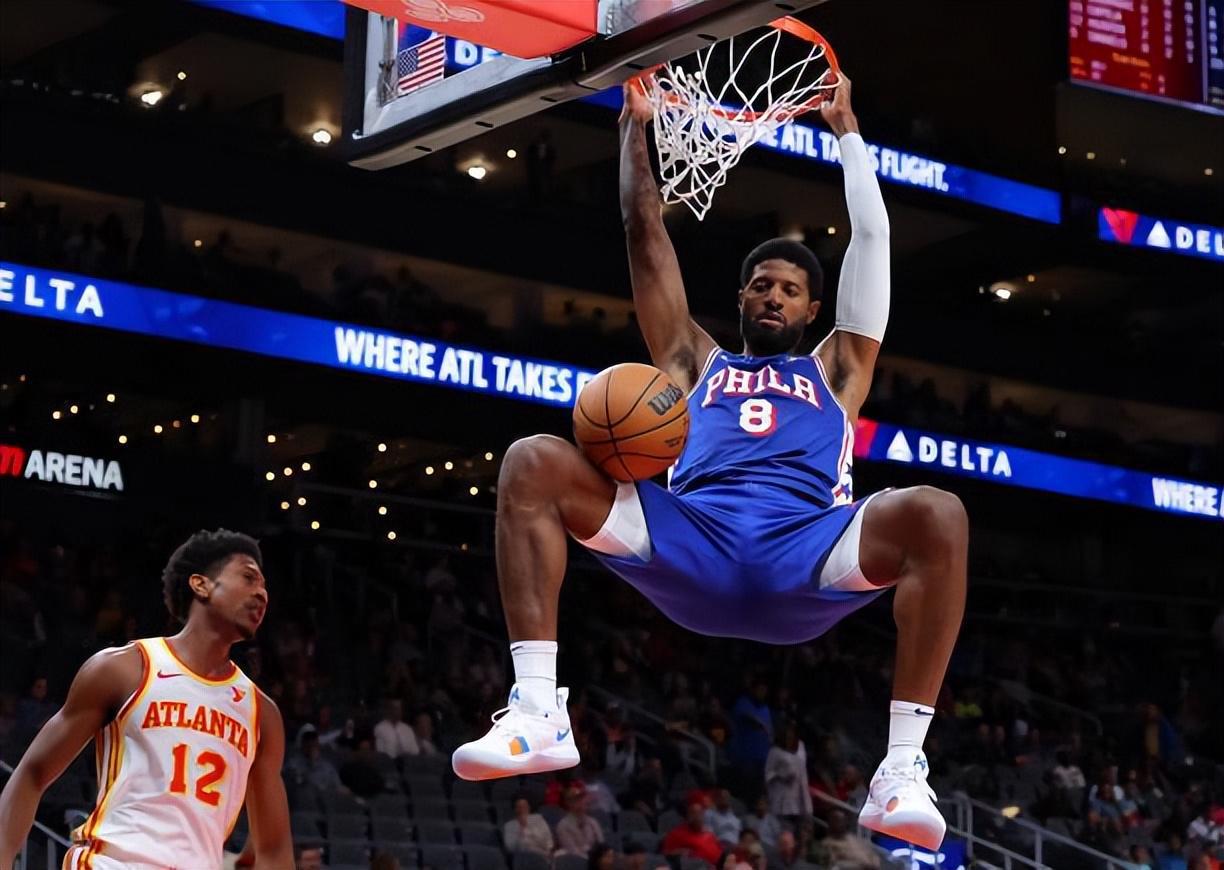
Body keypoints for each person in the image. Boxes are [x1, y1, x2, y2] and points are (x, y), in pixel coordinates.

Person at [451, 72, 966, 854]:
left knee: (938, 514)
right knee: (532, 462)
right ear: (742, 296)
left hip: (807, 550)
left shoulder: (839, 369)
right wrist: (634, 127)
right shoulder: (696, 361)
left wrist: (849, 137)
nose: (773, 296)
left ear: (813, 309)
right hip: (691, 537)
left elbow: (873, 242)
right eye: (761, 285)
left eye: (789, 289)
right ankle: (536, 710)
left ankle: (900, 769)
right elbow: (643, 232)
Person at [0, 529, 292, 869]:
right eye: (248, 578)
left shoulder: (261, 713)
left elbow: (273, 849)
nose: (261, 593)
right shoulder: (125, 669)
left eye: (264, 586)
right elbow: (33, 773)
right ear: (201, 585)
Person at [765, 722, 812, 827]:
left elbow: (803, 775)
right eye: (787, 735)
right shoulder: (775, 752)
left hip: (799, 803)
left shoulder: (800, 747)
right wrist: (781, 774)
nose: (790, 737)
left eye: (792, 734)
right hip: (781, 803)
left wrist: (808, 806)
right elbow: (767, 775)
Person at [662, 800, 723, 866]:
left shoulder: (709, 834)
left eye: (700, 813)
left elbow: (720, 853)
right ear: (687, 815)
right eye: (693, 813)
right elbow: (666, 855)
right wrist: (679, 853)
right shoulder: (676, 834)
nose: (697, 816)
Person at [556, 785, 604, 855]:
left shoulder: (593, 822)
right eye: (575, 799)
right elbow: (573, 851)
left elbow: (602, 845)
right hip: (577, 859)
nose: (580, 802)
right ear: (567, 803)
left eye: (581, 798)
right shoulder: (562, 826)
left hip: (595, 858)